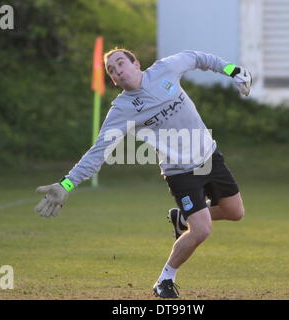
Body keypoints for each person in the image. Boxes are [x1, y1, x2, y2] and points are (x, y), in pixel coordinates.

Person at [34, 48, 252, 299]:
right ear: (114, 81)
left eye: (120, 63)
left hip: (209, 157)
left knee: (235, 212)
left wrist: (232, 70)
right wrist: (67, 184)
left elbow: (199, 58)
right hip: (180, 171)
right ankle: (165, 280)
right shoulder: (122, 109)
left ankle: (183, 219)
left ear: (136, 64)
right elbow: (99, 151)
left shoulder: (166, 69)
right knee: (201, 230)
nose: (117, 70)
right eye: (111, 70)